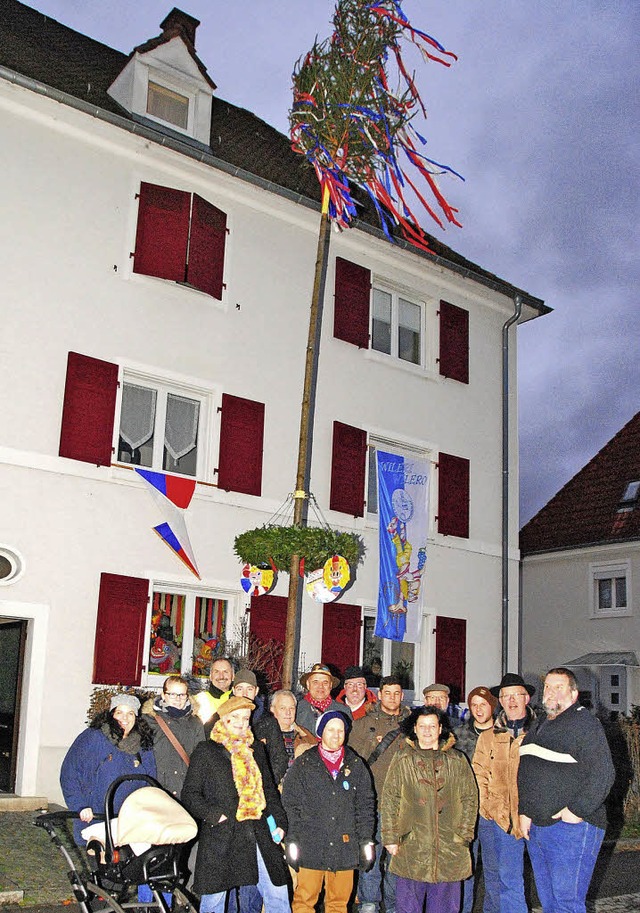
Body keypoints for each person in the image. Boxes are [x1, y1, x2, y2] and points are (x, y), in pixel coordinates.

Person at [518, 667, 615, 913]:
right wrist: (525, 811)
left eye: (558, 687)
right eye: (547, 687)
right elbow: (528, 772)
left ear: (573, 694)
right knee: (549, 902)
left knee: (567, 903)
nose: (550, 692)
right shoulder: (540, 724)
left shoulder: (584, 723)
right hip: (539, 826)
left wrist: (577, 810)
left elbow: (603, 773)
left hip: (571, 828)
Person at [181, 695, 290, 913]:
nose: (242, 722)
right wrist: (215, 816)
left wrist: (279, 822)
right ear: (224, 720)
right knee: (214, 901)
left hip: (258, 832)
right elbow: (190, 794)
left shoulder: (256, 750)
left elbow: (268, 790)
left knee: (278, 894)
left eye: (246, 717)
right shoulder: (207, 751)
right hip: (223, 836)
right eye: (235, 717)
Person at [381, 705, 478, 913]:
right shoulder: (403, 759)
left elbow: (470, 798)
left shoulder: (457, 760)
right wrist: (390, 837)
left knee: (445, 908)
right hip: (411, 847)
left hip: (448, 849)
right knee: (408, 907)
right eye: (422, 726)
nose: (427, 731)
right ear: (414, 729)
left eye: (432, 726)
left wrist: (463, 835)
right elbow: (390, 798)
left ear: (440, 728)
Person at [282, 710, 375, 913]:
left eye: (340, 730)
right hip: (311, 846)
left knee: (338, 903)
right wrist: (292, 839)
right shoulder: (304, 764)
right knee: (304, 901)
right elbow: (291, 804)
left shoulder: (356, 765)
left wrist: (366, 841)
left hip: (344, 847)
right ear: (321, 732)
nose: (336, 734)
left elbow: (366, 806)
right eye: (330, 729)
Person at [472, 673, 536, 913]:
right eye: (505, 696)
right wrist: (488, 806)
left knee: (524, 880)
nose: (511, 701)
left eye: (516, 695)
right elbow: (478, 773)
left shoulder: (540, 734)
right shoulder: (489, 737)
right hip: (496, 818)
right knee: (497, 879)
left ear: (526, 698)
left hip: (534, 816)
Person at [60, 693, 156, 846]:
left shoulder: (143, 744)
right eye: (120, 712)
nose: (125, 718)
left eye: (130, 713)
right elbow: (70, 773)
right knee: (105, 864)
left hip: (130, 823)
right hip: (97, 818)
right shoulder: (94, 738)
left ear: (136, 717)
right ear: (111, 714)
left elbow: (150, 781)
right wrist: (80, 805)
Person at [349, 676, 410, 913]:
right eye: (388, 693)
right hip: (372, 801)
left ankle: (394, 904)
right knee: (370, 854)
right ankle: (369, 902)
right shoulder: (363, 724)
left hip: (403, 803)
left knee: (398, 858)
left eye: (397, 693)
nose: (392, 697)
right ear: (380, 695)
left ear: (402, 695)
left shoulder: (413, 724)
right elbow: (353, 761)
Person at [454, 685, 498, 913]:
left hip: (492, 811)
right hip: (466, 811)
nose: (479, 710)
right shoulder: (459, 735)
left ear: (492, 706)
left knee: (493, 868)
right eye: (474, 705)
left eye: (483, 705)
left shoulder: (503, 734)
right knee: (466, 868)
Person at [143, 675, 205, 798]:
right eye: (172, 694)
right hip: (157, 790)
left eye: (182, 695)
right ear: (163, 695)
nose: (178, 699)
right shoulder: (149, 720)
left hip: (185, 790)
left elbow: (200, 758)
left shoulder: (195, 723)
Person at [296, 663, 351, 732]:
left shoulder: (343, 711)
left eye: (325, 683)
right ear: (308, 684)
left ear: (330, 685)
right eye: (315, 682)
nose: (320, 686)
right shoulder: (296, 709)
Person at [270, 689, 316, 771]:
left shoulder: (306, 736)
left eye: (291, 708)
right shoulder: (264, 736)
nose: (288, 713)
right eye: (282, 708)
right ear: (272, 710)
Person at [192, 656, 234, 726]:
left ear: (233, 676)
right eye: (216, 672)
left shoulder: (238, 699)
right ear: (210, 676)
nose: (221, 676)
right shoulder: (198, 700)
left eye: (225, 672)